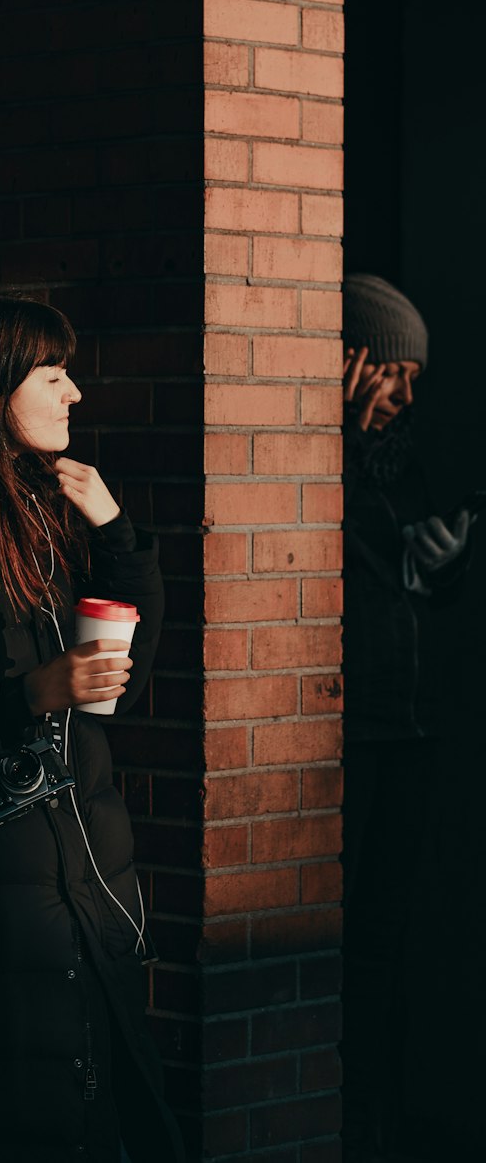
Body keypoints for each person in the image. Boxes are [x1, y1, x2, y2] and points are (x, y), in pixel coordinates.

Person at [0, 286, 184, 1163]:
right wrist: (28, 695)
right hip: (6, 901)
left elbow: (119, 679)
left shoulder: (38, 512)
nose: (74, 393)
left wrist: (118, 536)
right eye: (53, 372)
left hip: (87, 880)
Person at [340, 274, 472, 1163]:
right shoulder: (330, 460)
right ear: (349, 365)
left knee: (388, 938)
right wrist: (338, 441)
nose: (406, 394)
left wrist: (446, 566)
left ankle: (375, 1133)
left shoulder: (406, 464)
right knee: (340, 937)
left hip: (412, 724)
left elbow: (406, 594)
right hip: (350, 733)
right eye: (392, 372)